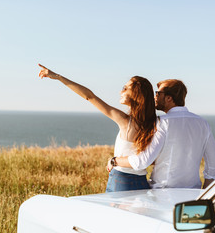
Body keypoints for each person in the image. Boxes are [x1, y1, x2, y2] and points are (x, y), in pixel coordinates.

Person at [38, 64, 157, 192]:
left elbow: (89, 96)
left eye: (125, 88)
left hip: (122, 180)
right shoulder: (155, 124)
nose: (120, 92)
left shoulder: (125, 121)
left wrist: (58, 77)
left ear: (136, 93)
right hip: (142, 182)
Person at [107, 79, 215, 189]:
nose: (155, 97)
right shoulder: (203, 123)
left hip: (162, 194)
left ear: (169, 98)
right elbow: (213, 169)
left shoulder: (162, 122)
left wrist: (115, 161)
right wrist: (204, 198)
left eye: (158, 93)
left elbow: (142, 161)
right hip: (192, 195)